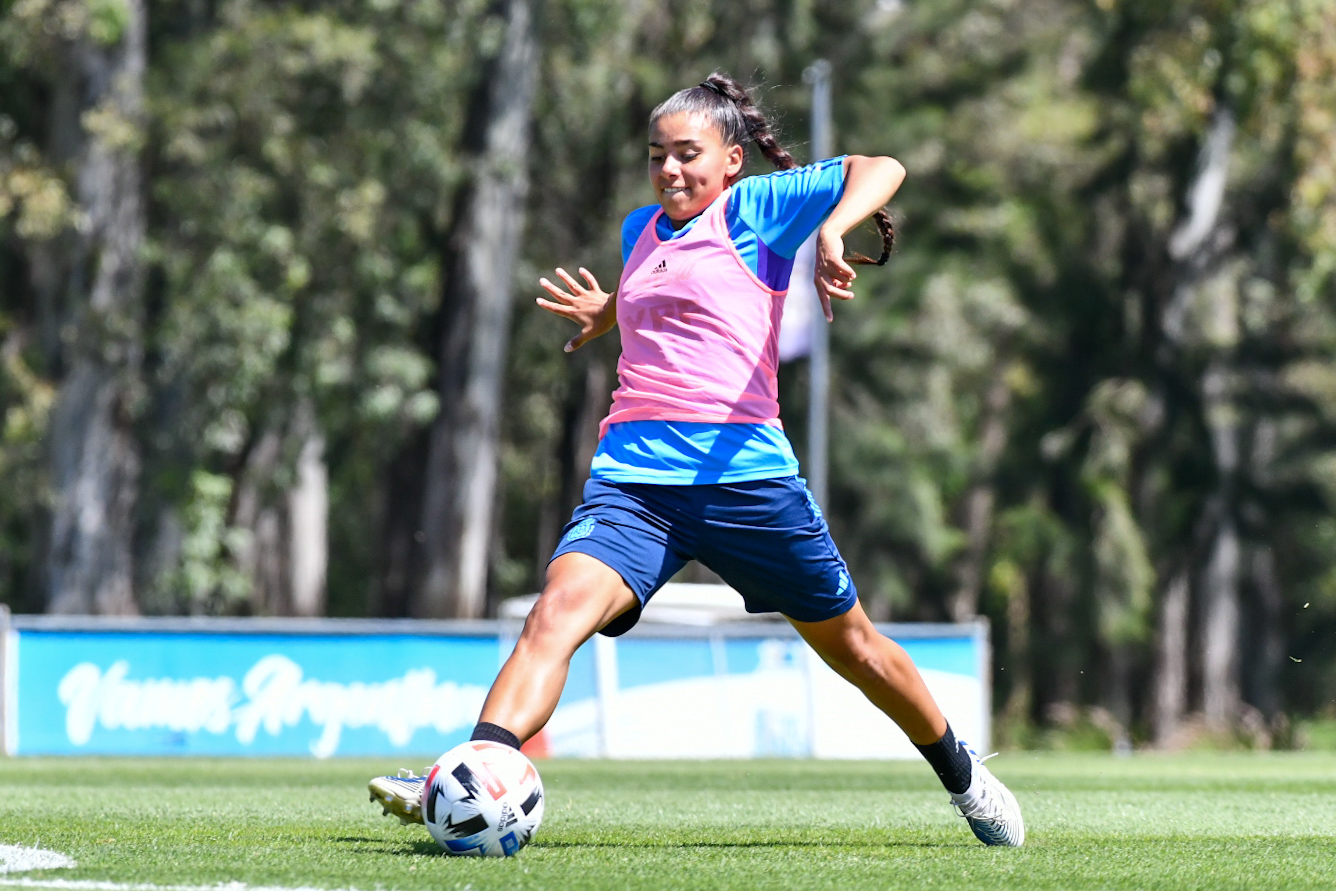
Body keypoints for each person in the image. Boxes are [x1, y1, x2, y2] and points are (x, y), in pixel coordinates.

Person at [369, 71, 1024, 847]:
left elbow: (880, 169)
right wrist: (609, 308)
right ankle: (473, 772)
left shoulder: (756, 210)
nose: (671, 170)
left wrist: (831, 228)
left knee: (855, 648)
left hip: (747, 485)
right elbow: (671, 286)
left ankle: (964, 776)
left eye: (688, 154)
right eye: (657, 155)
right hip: (634, 486)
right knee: (553, 615)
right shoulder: (638, 230)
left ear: (732, 161)